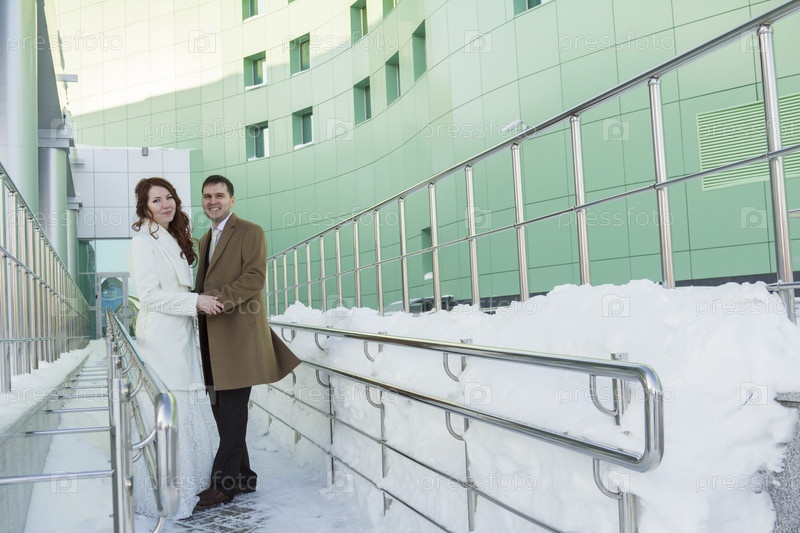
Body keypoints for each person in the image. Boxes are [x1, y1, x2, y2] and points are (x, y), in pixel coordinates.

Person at [194, 174, 301, 508]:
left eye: (219, 195)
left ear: (232, 200)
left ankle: (223, 485)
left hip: (238, 338)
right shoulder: (204, 240)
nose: (213, 201)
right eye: (207, 196)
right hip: (211, 339)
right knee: (221, 411)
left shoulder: (250, 232)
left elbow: (254, 278)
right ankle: (243, 476)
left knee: (233, 411)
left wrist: (216, 301)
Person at [127, 177, 224, 519]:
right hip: (161, 340)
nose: (165, 204)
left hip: (180, 335)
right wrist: (195, 301)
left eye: (169, 197)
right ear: (145, 208)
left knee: (185, 410)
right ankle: (168, 497)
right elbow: (150, 297)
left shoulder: (171, 236)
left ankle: (190, 488)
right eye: (156, 200)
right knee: (171, 410)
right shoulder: (143, 242)